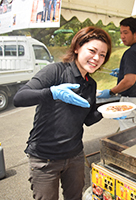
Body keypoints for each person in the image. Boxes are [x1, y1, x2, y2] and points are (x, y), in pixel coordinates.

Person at [13, 27, 116, 200]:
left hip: (74, 155)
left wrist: (106, 112)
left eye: (103, 55)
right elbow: (20, 97)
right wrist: (52, 92)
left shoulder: (91, 84)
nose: (97, 58)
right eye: (92, 51)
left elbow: (88, 119)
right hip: (45, 158)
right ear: (77, 48)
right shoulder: (55, 71)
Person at [97, 17, 136, 131]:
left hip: (131, 101)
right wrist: (122, 72)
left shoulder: (131, 52)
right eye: (121, 33)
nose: (122, 36)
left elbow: (129, 81)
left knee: (129, 135)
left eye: (125, 33)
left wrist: (111, 92)